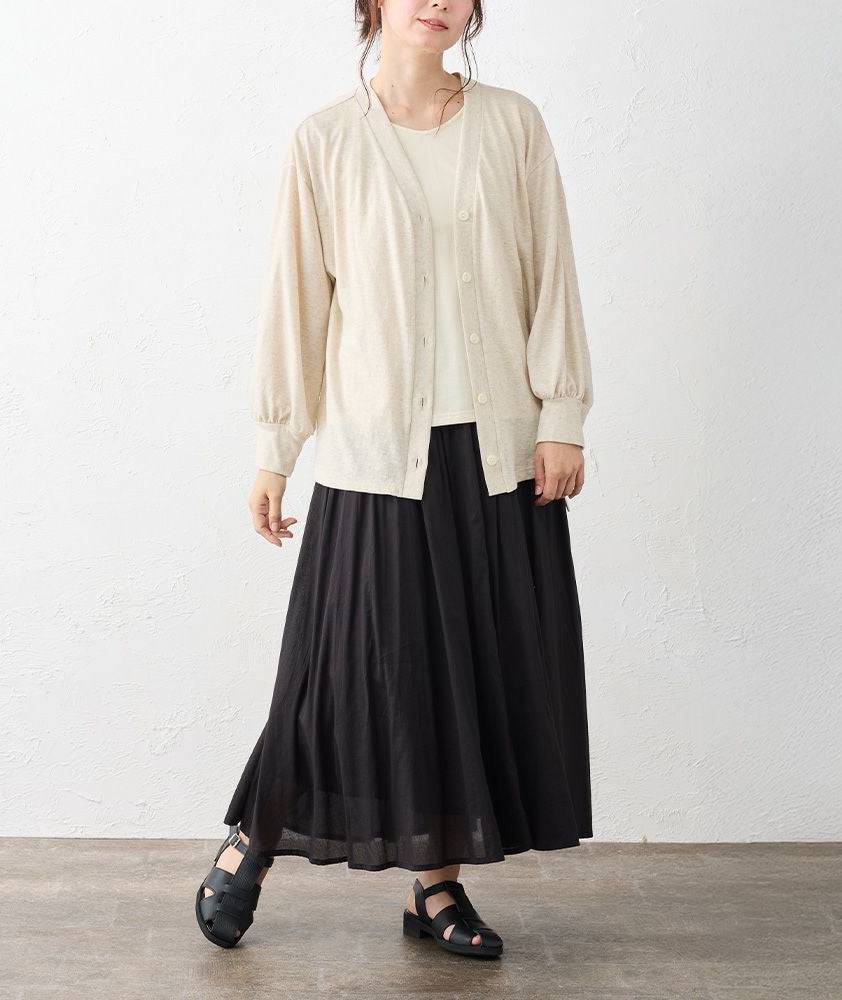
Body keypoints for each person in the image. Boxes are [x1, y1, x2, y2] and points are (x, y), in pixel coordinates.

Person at [195, 0, 593, 960]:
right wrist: (276, 449)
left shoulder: (514, 125)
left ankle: (435, 887)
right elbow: (298, 301)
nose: (437, 1)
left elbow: (553, 274)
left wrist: (561, 417)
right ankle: (254, 837)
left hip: (496, 453)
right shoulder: (326, 141)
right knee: (338, 672)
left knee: (463, 681)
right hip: (375, 458)